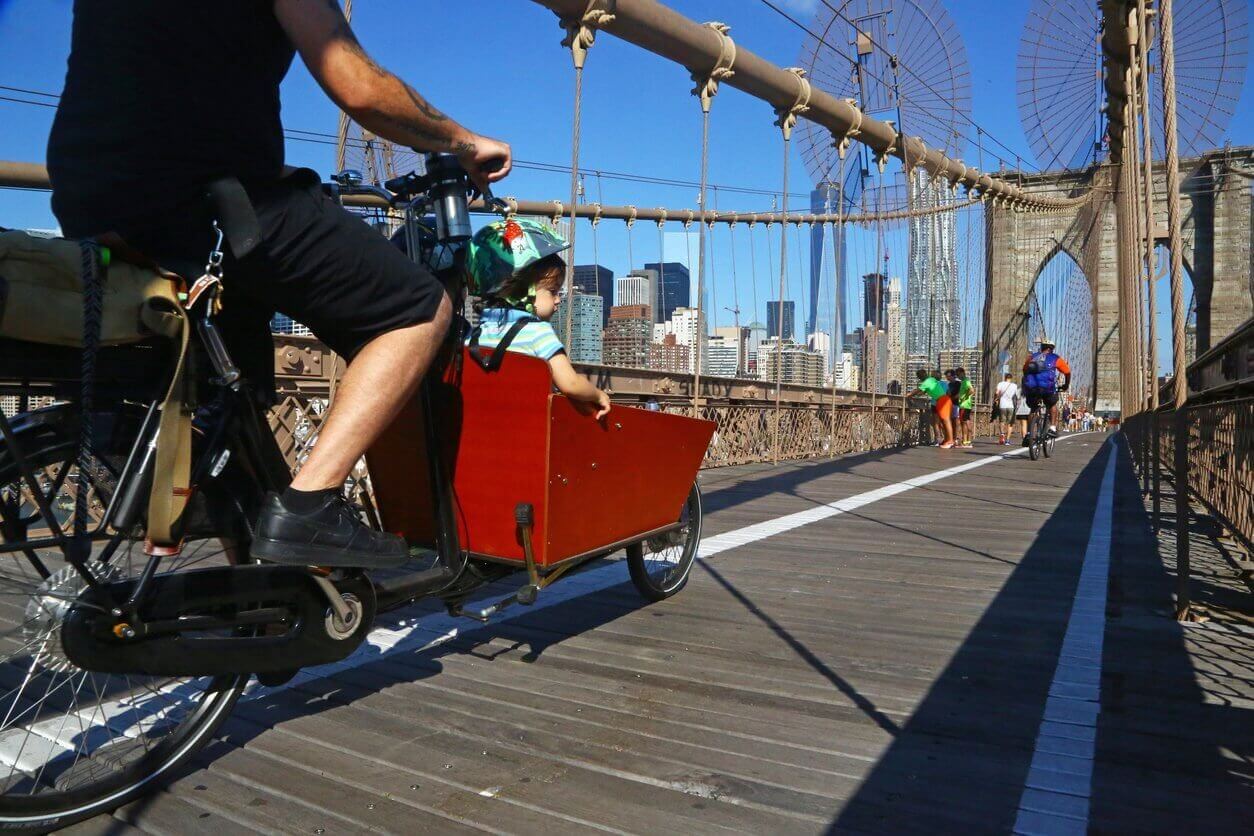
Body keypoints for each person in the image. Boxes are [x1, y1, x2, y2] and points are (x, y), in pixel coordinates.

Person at [46, 2, 513, 568]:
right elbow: (358, 86)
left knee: (231, 391)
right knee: (414, 306)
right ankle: (310, 508)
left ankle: (255, 594)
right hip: (202, 194)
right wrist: (462, 141)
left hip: (90, 196)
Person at [464, 219, 611, 418]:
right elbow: (571, 384)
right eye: (553, 291)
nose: (559, 300)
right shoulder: (537, 332)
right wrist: (597, 394)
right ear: (524, 291)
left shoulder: (473, 335)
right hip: (526, 434)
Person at [1021, 338, 1071, 439]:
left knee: (1033, 409)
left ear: (1041, 347)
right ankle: (1052, 428)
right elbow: (1067, 372)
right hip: (1047, 388)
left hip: (1032, 387)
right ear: (1052, 349)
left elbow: (1024, 370)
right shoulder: (1055, 358)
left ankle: (1029, 434)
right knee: (1052, 404)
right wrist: (1066, 385)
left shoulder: (1032, 357)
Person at [907, 369, 954, 449]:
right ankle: (947, 440)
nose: (920, 377)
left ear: (923, 375)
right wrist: (916, 395)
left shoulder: (927, 381)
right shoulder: (931, 380)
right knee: (943, 422)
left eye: (920, 376)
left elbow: (918, 390)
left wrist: (909, 395)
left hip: (942, 400)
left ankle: (950, 441)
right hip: (941, 400)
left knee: (946, 421)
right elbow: (923, 392)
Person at [994, 373, 1019, 445]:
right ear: (1011, 378)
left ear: (1005, 378)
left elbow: (997, 392)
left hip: (1002, 405)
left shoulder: (1000, 384)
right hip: (1011, 406)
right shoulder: (1014, 386)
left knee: (1002, 421)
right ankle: (1007, 440)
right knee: (1010, 423)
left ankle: (1002, 434)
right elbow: (1015, 396)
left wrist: (996, 399)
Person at [955, 367, 975, 447]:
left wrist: (964, 397)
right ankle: (968, 441)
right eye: (957, 375)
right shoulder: (964, 381)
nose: (958, 376)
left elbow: (972, 390)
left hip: (964, 405)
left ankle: (965, 441)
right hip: (967, 405)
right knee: (966, 422)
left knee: (964, 423)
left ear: (962, 373)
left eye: (958, 374)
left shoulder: (966, 381)